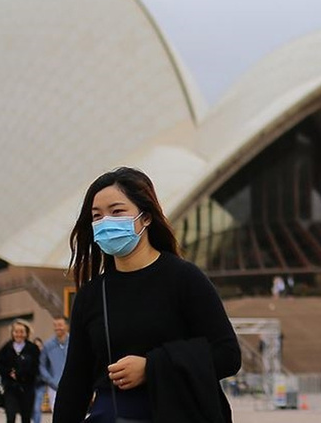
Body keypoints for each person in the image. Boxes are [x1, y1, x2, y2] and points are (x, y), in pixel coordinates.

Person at [52, 167, 241, 423]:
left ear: (146, 217)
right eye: (97, 216)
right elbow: (75, 381)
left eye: (117, 211)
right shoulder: (92, 295)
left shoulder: (184, 278)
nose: (105, 222)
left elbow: (228, 355)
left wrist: (152, 367)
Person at [0, 319, 40, 423]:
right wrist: (8, 373)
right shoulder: (6, 348)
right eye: (16, 331)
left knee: (26, 417)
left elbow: (35, 367)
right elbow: (0, 363)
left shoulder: (32, 348)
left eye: (21, 332)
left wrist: (21, 375)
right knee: (10, 416)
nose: (19, 334)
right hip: (10, 387)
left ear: (26, 333)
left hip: (27, 388)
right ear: (12, 333)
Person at [39, 317, 69, 419]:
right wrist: (50, 380)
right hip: (54, 387)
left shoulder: (74, 343)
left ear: (66, 326)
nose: (57, 328)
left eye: (60, 325)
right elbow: (42, 365)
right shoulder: (48, 345)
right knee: (57, 415)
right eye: (55, 325)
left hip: (73, 385)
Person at [31, 338, 46, 423]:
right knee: (32, 408)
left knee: (37, 407)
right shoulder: (30, 358)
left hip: (40, 385)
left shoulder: (44, 358)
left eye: (39, 346)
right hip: (30, 385)